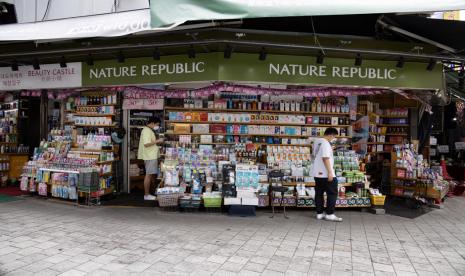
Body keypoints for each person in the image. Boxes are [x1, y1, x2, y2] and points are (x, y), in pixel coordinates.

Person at [311, 127, 342, 222]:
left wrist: (330, 148)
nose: (333, 139)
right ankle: (329, 214)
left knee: (319, 193)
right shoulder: (325, 143)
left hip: (317, 173)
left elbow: (315, 155)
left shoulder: (317, 142)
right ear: (330, 135)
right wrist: (330, 172)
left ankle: (319, 213)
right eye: (334, 137)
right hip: (325, 173)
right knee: (332, 193)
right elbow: (325, 158)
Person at [138, 117, 164, 200]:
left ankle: (151, 191)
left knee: (151, 174)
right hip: (149, 156)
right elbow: (146, 144)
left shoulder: (149, 130)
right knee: (148, 175)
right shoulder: (146, 131)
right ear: (152, 123)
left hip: (151, 155)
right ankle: (146, 195)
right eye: (157, 125)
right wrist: (158, 141)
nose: (157, 126)